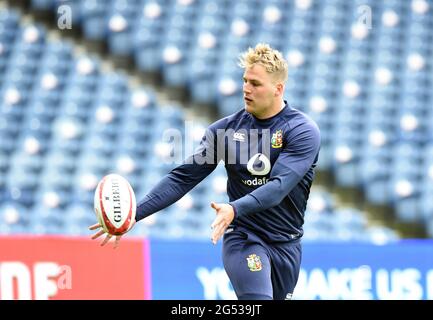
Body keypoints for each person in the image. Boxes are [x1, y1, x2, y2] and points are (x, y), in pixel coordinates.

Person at [89, 43, 321, 300]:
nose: (246, 88)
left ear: (278, 89)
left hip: (287, 243)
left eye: (255, 84)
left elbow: (278, 187)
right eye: (244, 80)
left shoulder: (301, 131)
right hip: (245, 237)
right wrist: (135, 214)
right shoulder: (225, 131)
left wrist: (234, 207)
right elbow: (182, 178)